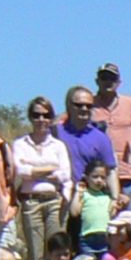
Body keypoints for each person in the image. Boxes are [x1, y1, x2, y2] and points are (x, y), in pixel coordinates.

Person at [8, 97, 75, 260]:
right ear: (30, 117)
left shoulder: (58, 145)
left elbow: (64, 175)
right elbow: (20, 172)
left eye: (46, 116)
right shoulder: (20, 144)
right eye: (36, 115)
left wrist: (33, 170)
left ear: (51, 118)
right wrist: (50, 168)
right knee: (36, 255)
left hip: (54, 202)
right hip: (31, 203)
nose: (41, 120)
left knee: (55, 251)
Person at [54, 86, 122, 234]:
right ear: (68, 106)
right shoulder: (56, 133)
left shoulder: (100, 138)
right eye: (79, 105)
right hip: (60, 200)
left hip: (90, 202)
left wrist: (115, 199)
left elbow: (110, 171)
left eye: (89, 105)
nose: (84, 109)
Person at [86, 64, 131, 200]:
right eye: (104, 78)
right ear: (97, 81)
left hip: (125, 173)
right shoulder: (88, 104)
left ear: (119, 82)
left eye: (112, 78)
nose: (108, 81)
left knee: (129, 218)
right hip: (96, 176)